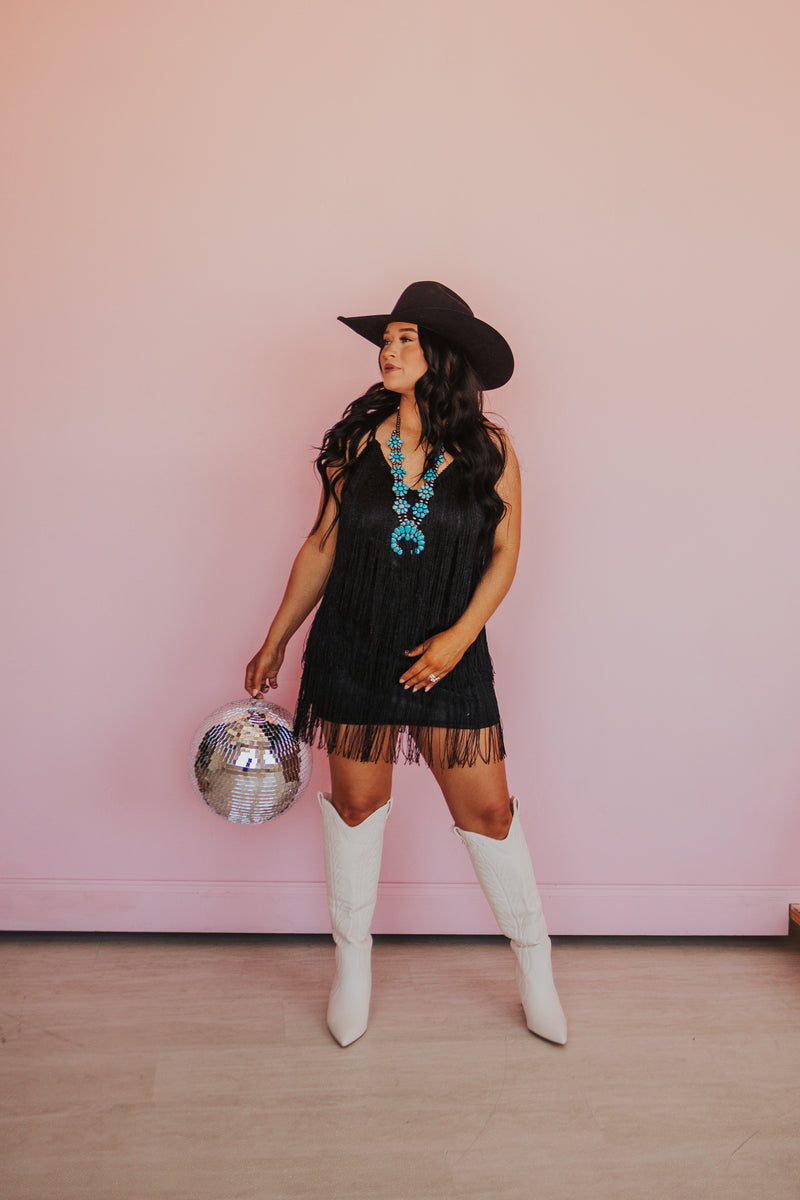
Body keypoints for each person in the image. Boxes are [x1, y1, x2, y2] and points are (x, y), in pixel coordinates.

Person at [245, 281, 567, 1047]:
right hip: (353, 645)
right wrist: (277, 637)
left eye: (404, 339)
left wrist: (459, 639)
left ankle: (534, 963)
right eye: (385, 340)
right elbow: (321, 545)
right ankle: (352, 968)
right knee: (356, 807)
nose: (386, 351)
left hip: (448, 655)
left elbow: (505, 554)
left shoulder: (491, 449)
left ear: (441, 355)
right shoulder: (358, 442)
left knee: (489, 813)